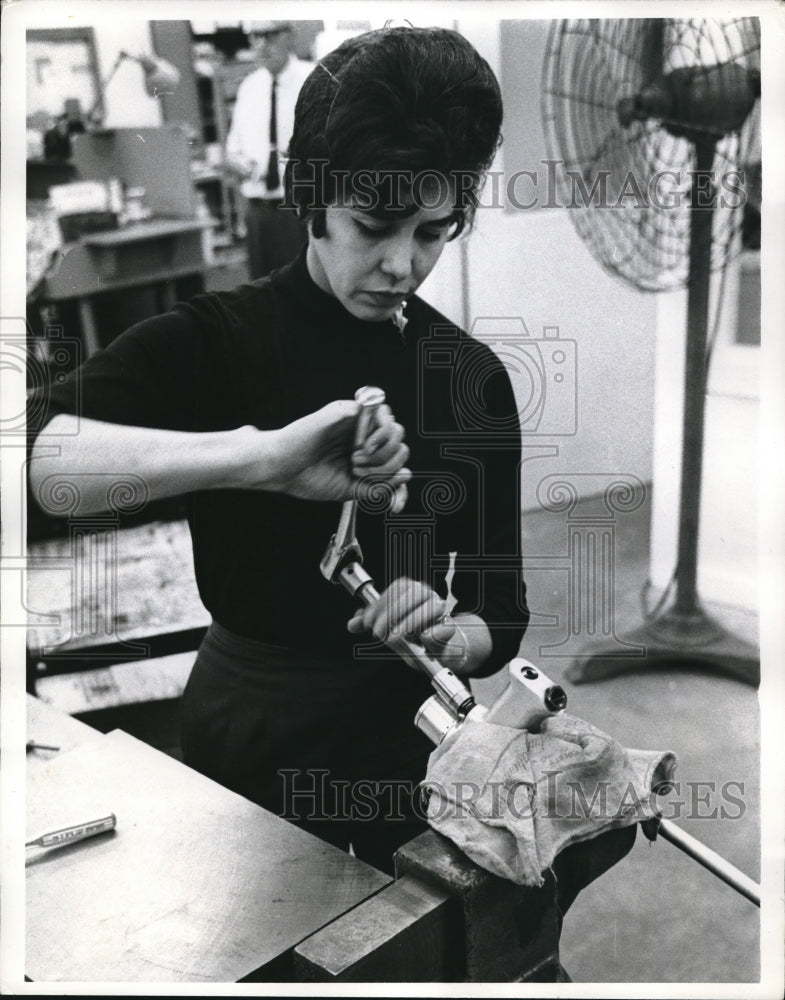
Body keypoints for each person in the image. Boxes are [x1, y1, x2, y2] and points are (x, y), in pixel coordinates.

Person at [28, 26, 528, 875]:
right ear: (310, 194)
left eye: (433, 232)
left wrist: (451, 638)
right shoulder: (216, 342)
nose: (403, 263)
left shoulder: (468, 380)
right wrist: (258, 459)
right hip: (247, 731)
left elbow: (497, 609)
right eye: (373, 225)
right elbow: (42, 464)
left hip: (408, 741)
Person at [225, 20, 312, 278]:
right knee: (261, 295)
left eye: (269, 35)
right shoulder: (249, 87)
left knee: (302, 292)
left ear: (290, 36)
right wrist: (242, 165)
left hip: (300, 210)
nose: (262, 45)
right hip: (258, 211)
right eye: (255, 37)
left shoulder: (314, 79)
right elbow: (232, 150)